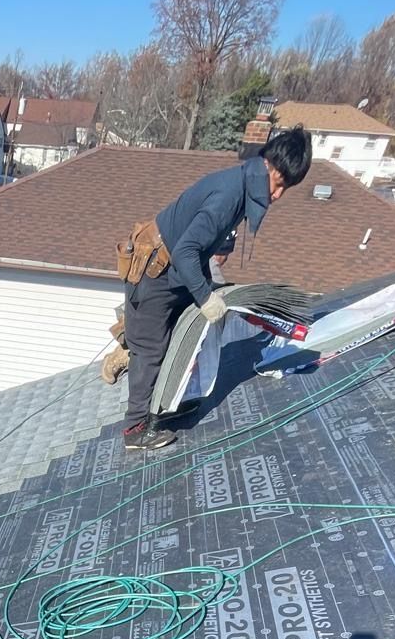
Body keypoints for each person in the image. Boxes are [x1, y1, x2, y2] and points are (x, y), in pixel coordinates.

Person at [120, 127, 312, 452]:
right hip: (157, 272)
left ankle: (167, 406)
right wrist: (206, 297)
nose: (278, 195)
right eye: (279, 183)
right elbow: (185, 251)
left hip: (173, 273)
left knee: (180, 341)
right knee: (151, 351)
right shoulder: (230, 194)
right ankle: (136, 429)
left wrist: (206, 288)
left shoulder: (241, 184)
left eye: (285, 188)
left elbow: (198, 249)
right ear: (268, 165)